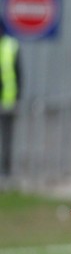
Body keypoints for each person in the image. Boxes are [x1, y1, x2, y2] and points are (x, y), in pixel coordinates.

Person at [0, 20, 21, 178]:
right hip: (7, 99)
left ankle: (5, 172)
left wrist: (17, 97)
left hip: (7, 100)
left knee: (6, 139)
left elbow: (18, 73)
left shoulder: (10, 45)